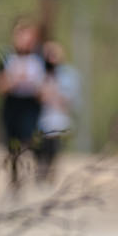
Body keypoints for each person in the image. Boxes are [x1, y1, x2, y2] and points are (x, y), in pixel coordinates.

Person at [0, 19, 49, 186]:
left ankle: (40, 174)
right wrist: (13, 81)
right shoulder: (6, 58)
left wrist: (36, 86)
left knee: (33, 138)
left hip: (31, 106)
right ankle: (15, 179)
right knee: (12, 144)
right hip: (11, 106)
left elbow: (47, 88)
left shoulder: (40, 59)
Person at [36, 40, 83, 177]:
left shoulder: (69, 74)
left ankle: (50, 171)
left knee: (54, 146)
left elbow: (71, 97)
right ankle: (42, 169)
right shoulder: (40, 71)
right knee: (40, 147)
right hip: (41, 116)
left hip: (59, 116)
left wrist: (54, 95)